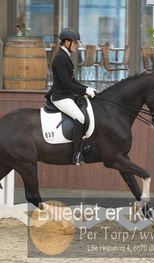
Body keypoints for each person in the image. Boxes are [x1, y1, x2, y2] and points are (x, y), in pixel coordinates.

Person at [46, 28, 96, 165]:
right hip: (60, 96)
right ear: (67, 42)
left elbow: (72, 80)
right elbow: (67, 83)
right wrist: (84, 91)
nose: (77, 45)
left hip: (66, 94)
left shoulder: (65, 56)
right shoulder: (60, 58)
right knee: (79, 117)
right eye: (74, 43)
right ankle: (76, 153)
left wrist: (86, 88)